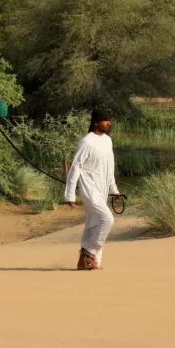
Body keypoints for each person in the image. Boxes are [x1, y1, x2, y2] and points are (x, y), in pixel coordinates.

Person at [63, 109, 123, 270]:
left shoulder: (108, 141)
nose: (109, 123)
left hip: (103, 189)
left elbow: (109, 168)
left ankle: (88, 263)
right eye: (105, 120)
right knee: (107, 219)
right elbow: (76, 168)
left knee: (93, 223)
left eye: (109, 119)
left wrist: (114, 190)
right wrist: (70, 195)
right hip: (89, 189)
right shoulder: (86, 142)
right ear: (96, 122)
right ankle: (87, 251)